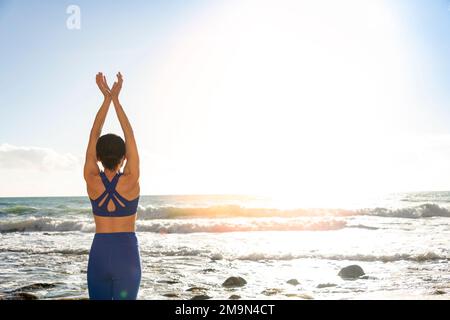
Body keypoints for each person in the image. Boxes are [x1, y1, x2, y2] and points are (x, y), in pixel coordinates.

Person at [83, 72, 141, 300]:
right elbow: (130, 134)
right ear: (125, 157)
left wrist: (105, 99)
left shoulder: (91, 179)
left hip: (99, 254)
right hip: (127, 256)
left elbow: (93, 134)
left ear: (97, 157)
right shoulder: (131, 179)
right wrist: (116, 99)